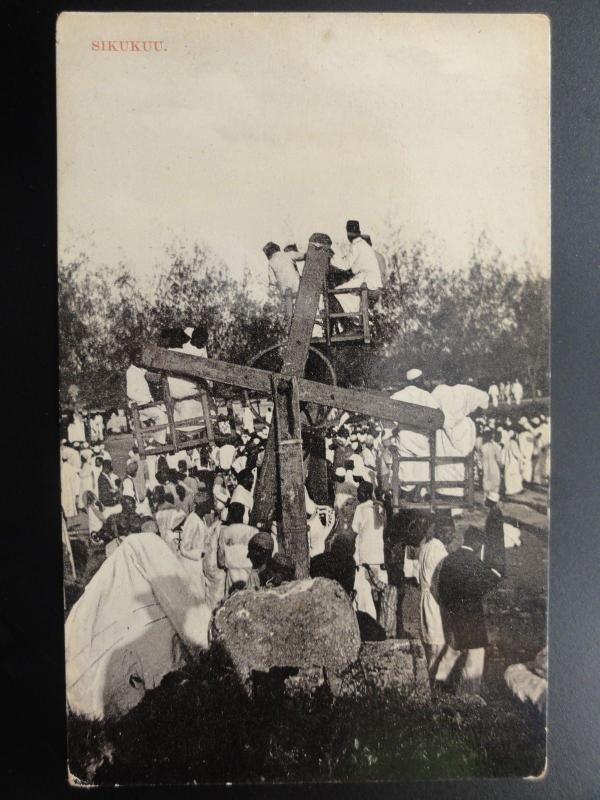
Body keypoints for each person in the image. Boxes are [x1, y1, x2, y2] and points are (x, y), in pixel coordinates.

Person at [434, 526, 502, 698]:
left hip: (453, 613)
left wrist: (449, 607)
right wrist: (493, 569)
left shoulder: (449, 560)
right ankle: (469, 694)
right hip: (472, 618)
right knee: (476, 654)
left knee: (453, 650)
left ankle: (437, 684)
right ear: (479, 544)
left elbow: (441, 589)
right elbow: (490, 581)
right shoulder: (475, 563)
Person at [390, 369, 440, 498]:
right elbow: (437, 416)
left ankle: (407, 491)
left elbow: (389, 418)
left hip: (404, 437)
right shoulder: (426, 395)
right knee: (423, 464)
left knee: (405, 467)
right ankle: (419, 491)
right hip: (422, 439)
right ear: (417, 380)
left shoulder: (398, 395)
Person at [418, 514, 454, 673]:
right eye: (450, 532)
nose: (453, 536)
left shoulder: (425, 546)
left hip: (424, 598)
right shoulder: (440, 551)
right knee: (437, 646)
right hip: (434, 600)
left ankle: (427, 680)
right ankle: (430, 685)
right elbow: (439, 584)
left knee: (428, 644)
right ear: (441, 532)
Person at [352, 482, 387, 620]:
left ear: (367, 493)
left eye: (360, 492)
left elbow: (354, 530)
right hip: (379, 557)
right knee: (380, 592)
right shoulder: (380, 507)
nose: (357, 494)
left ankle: (370, 621)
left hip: (365, 558)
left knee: (365, 593)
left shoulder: (360, 508)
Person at [332, 220, 382, 314]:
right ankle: (357, 315)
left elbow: (345, 265)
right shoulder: (363, 244)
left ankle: (352, 318)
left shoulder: (356, 245)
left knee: (337, 292)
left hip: (367, 280)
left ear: (349, 233)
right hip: (372, 281)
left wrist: (331, 258)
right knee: (349, 292)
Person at [126, 346, 168, 445]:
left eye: (140, 358)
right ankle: (158, 441)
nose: (139, 360)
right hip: (140, 405)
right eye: (137, 358)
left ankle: (160, 439)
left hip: (148, 403)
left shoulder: (141, 370)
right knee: (161, 416)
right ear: (132, 359)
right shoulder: (130, 372)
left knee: (165, 413)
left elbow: (153, 377)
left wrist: (162, 374)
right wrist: (146, 400)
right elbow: (130, 393)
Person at [217, 502, 258, 594]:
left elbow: (220, 560)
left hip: (232, 574)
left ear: (229, 514)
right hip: (249, 573)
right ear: (243, 514)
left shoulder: (225, 531)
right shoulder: (253, 531)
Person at [483, 492, 507, 578]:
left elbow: (494, 526)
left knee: (494, 555)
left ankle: (497, 572)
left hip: (494, 538)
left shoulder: (494, 512)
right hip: (497, 538)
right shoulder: (495, 510)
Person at [479, 429, 503, 496]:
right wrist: (501, 465)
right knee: (495, 482)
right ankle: (494, 499)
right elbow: (499, 458)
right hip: (494, 465)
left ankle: (486, 498)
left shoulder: (483, 447)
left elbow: (480, 458)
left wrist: (480, 467)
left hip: (485, 466)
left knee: (486, 481)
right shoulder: (494, 446)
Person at [503, 429, 523, 496]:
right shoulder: (513, 443)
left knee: (509, 476)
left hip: (508, 461)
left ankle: (510, 489)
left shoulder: (507, 443)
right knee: (513, 475)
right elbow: (516, 453)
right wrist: (522, 458)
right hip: (513, 462)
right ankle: (513, 490)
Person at [61, 450, 80, 519]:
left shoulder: (62, 468)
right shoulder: (71, 468)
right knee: (70, 499)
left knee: (64, 500)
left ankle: (65, 513)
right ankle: (70, 512)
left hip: (64, 487)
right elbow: (76, 478)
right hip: (70, 487)